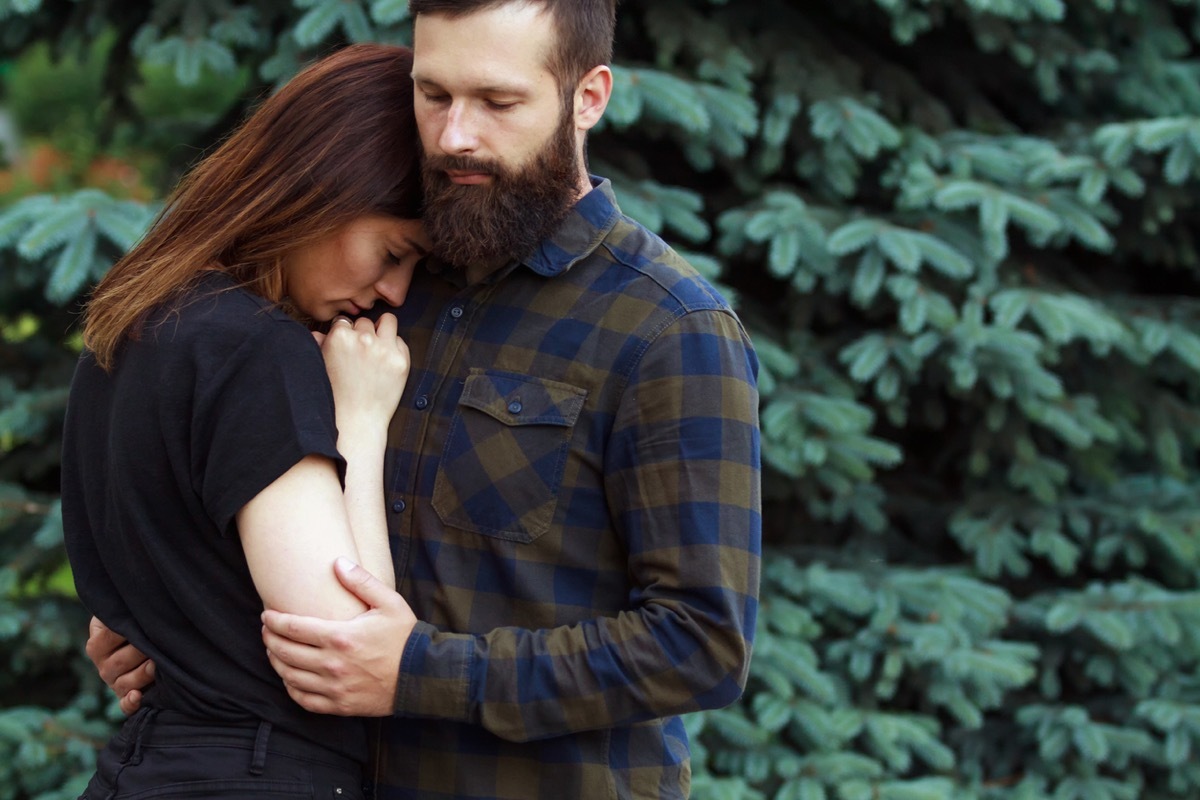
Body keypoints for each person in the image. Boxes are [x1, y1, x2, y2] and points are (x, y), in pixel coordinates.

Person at [88, 1, 763, 798]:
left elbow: (701, 643)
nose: (454, 136)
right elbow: (248, 470)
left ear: (589, 97)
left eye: (497, 102)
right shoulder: (367, 276)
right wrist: (163, 617)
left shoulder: (667, 328)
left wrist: (424, 674)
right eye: (433, 94)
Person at [62, 43, 428, 799]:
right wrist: (359, 419)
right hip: (252, 771)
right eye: (393, 251)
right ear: (325, 186)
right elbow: (344, 643)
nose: (393, 291)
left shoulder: (134, 323)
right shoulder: (259, 348)